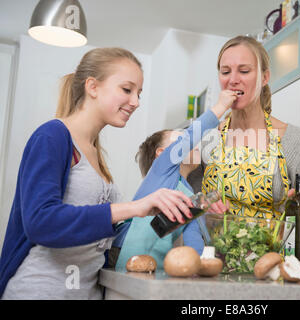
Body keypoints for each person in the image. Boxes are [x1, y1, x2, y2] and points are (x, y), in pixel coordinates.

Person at [0, 48, 193, 300]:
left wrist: (156, 215)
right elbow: (41, 221)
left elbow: (95, 231)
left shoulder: (94, 151)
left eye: (139, 93)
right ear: (92, 86)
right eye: (127, 89)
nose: (136, 101)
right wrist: (133, 207)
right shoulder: (52, 136)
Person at [196, 35, 300, 224]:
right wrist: (204, 205)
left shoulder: (296, 143)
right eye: (225, 72)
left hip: (272, 253)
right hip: (213, 252)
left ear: (264, 77)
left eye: (244, 71)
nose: (233, 80)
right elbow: (190, 203)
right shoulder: (207, 138)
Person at [111, 91, 234, 270]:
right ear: (162, 154)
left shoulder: (191, 195)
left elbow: (195, 241)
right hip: (127, 255)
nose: (191, 143)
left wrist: (199, 268)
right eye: (180, 137)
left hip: (155, 268)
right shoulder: (162, 172)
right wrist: (220, 107)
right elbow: (192, 135)